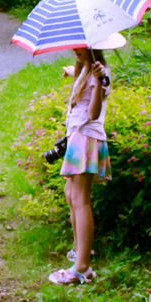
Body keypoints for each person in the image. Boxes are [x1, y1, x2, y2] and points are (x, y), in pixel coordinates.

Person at [48, 33, 124, 285]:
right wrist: (74, 71)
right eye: (74, 45)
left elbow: (93, 114)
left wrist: (100, 83)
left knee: (81, 199)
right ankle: (80, 249)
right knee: (70, 194)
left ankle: (82, 267)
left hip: (86, 138)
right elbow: (82, 78)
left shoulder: (100, 75)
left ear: (94, 45)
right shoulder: (85, 70)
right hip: (77, 137)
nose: (75, 49)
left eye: (81, 46)